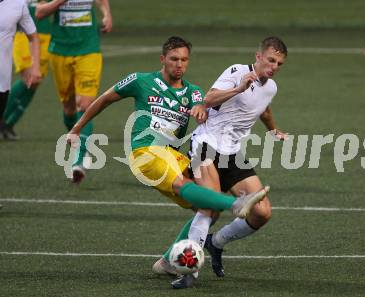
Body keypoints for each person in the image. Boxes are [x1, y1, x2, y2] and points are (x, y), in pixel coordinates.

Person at [67, 35, 270, 270]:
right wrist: (76, 128)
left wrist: (201, 108)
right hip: (146, 152)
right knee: (184, 186)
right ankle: (236, 204)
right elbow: (103, 100)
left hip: (173, 155)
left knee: (208, 209)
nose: (179, 64)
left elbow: (202, 103)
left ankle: (167, 262)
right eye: (174, 59)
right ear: (163, 59)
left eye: (184, 59)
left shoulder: (192, 92)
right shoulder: (140, 80)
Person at [154, 36, 288, 289]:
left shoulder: (271, 87)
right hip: (207, 143)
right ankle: (188, 272)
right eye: (271, 60)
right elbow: (209, 98)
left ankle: (216, 243)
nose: (274, 67)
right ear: (258, 56)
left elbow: (264, 109)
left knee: (262, 213)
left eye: (279, 63)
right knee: (209, 205)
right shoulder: (237, 72)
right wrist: (238, 88)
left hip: (233, 152)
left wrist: (273, 130)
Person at [36, 0, 112, 182]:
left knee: (85, 104)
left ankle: (81, 157)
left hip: (89, 49)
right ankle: (77, 138)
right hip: (60, 51)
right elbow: (39, 12)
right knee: (69, 109)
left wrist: (106, 13)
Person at [1, 0, 52, 140]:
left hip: (45, 33)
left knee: (34, 82)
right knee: (27, 79)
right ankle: (3, 119)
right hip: (23, 33)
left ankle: (9, 123)